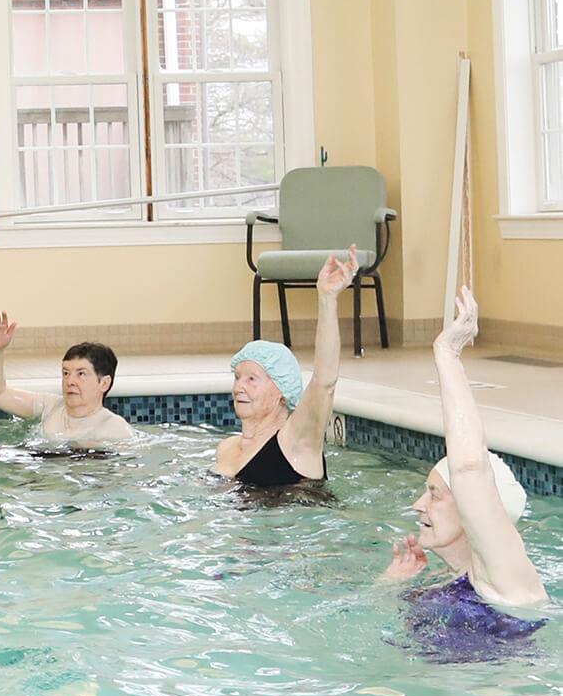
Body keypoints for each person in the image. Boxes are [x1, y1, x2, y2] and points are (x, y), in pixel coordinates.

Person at [380, 286, 549, 659]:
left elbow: (470, 467)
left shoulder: (506, 577)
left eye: (435, 493)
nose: (418, 504)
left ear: (477, 508)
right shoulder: (442, 584)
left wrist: (447, 354)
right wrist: (391, 585)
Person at [214, 245, 358, 486]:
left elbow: (324, 383)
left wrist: (327, 299)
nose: (239, 387)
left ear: (282, 390)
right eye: (237, 377)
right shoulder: (227, 448)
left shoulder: (297, 443)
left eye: (252, 379)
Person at [0, 312, 132, 442]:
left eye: (81, 374)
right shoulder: (50, 407)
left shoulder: (115, 429)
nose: (70, 381)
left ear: (104, 383)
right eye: (66, 373)